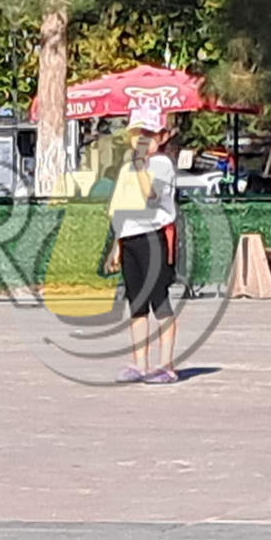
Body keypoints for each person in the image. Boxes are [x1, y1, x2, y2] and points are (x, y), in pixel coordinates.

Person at [108, 102, 181, 384]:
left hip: (153, 236)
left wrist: (140, 167)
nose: (142, 141)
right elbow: (121, 207)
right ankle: (140, 363)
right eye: (138, 134)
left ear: (161, 137)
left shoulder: (161, 164)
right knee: (136, 304)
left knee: (159, 301)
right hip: (130, 236)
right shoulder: (128, 167)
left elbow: (150, 195)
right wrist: (116, 243)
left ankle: (166, 364)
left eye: (149, 134)